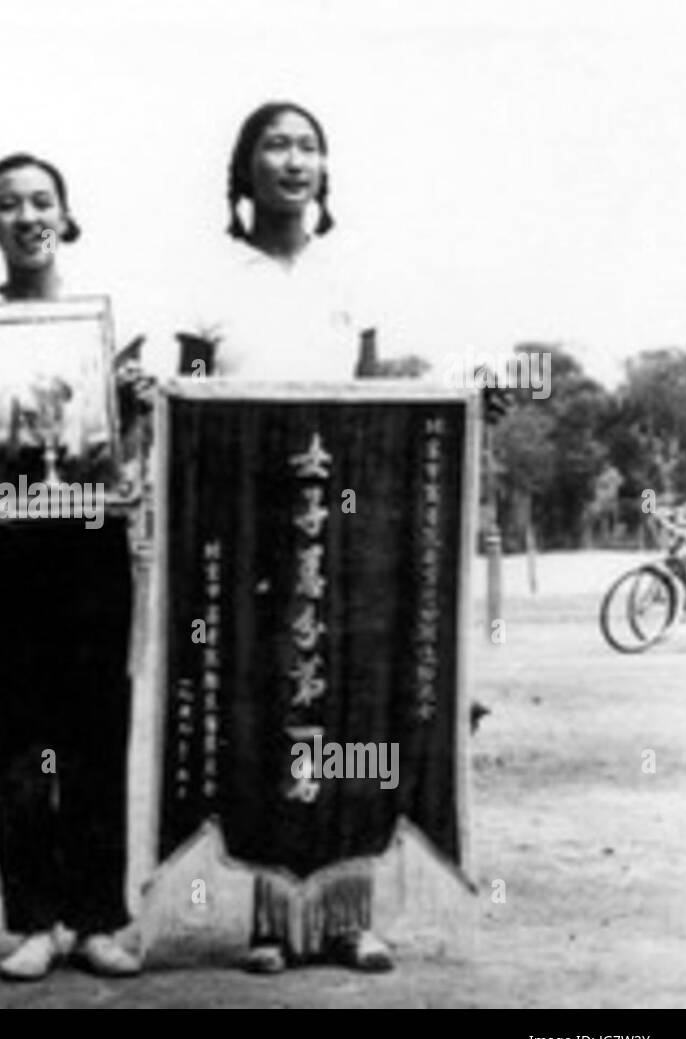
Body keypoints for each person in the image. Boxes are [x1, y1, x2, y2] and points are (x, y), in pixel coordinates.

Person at [177, 101, 394, 974]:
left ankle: (349, 914)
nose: (293, 160)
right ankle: (270, 916)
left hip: (338, 529)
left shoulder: (355, 272)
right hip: (246, 527)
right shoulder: (209, 277)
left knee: (344, 709)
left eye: (309, 145)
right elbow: (185, 409)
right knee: (263, 709)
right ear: (246, 168)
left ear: (324, 169)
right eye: (276, 144)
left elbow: (374, 407)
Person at [0, 153, 151, 980]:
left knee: (98, 728)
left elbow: (132, 447)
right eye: (7, 204)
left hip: (91, 544)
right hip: (8, 551)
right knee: (22, 735)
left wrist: (133, 415)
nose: (27, 217)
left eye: (41, 202)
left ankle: (99, 916)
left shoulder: (104, 329)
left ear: (65, 217)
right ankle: (34, 919)